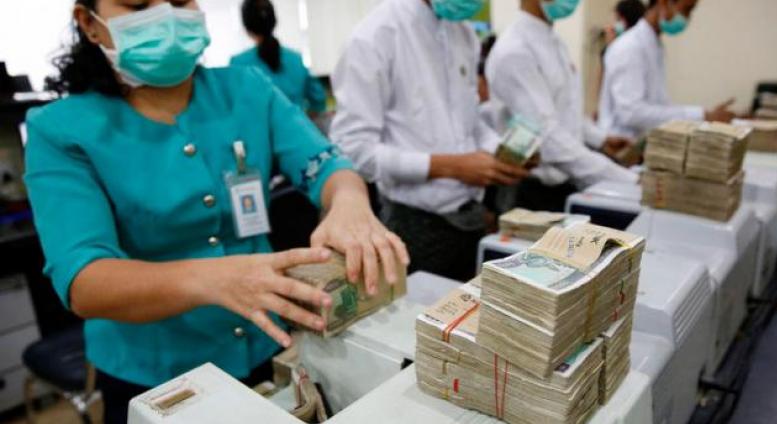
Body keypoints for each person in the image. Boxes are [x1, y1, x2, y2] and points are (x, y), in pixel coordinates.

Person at [27, 1, 408, 422]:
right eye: (139, 4)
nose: (166, 16)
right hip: (158, 379)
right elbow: (85, 280)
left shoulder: (247, 89)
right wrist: (219, 278)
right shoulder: (60, 130)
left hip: (270, 346)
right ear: (89, 23)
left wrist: (350, 203)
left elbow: (327, 164)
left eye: (179, 2)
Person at [330, 0, 529, 282]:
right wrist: (449, 166)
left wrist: (502, 152)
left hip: (470, 217)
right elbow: (353, 150)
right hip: (414, 223)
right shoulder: (375, 35)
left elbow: (471, 123)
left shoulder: (464, 34)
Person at [486, 0, 639, 212]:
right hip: (531, 191)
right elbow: (546, 135)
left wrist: (600, 139)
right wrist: (625, 178)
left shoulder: (555, 42)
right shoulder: (515, 50)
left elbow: (563, 110)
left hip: (564, 182)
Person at [598, 0, 736, 140]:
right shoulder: (629, 47)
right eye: (686, 10)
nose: (687, 18)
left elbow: (658, 105)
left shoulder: (654, 45)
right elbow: (631, 113)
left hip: (641, 143)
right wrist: (702, 115)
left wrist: (706, 116)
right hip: (619, 144)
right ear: (663, 3)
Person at [231, 0, 326, 117]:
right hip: (295, 133)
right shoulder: (296, 59)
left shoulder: (238, 65)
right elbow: (318, 100)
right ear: (274, 22)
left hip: (258, 135)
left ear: (247, 28)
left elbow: (233, 111)